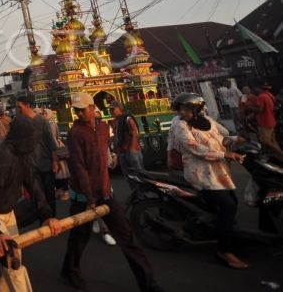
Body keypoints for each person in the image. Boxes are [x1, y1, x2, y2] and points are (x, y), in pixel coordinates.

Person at [61, 92, 162, 292]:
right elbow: (79, 167)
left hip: (106, 192)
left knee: (127, 237)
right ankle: (70, 270)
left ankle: (148, 283)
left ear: (92, 107)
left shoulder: (103, 128)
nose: (79, 113)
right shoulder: (75, 133)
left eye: (82, 109)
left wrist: (114, 156)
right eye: (76, 110)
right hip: (84, 196)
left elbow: (104, 154)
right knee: (80, 237)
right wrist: (90, 198)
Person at [0, 116, 62, 292]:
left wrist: (47, 216)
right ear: (23, 139)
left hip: (6, 208)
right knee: (13, 260)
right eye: (32, 141)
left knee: (12, 258)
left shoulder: (23, 155)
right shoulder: (1, 157)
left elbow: (35, 186)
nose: (34, 144)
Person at [167, 93, 248, 269]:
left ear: (196, 109)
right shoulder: (179, 124)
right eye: (180, 109)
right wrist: (224, 154)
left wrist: (236, 139)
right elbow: (193, 147)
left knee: (230, 203)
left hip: (218, 170)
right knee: (228, 206)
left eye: (186, 109)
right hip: (200, 172)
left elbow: (219, 137)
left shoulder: (207, 121)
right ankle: (223, 251)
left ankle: (219, 232)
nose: (182, 112)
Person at [16, 95, 59, 216]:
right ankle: (43, 219)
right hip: (30, 167)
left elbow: (51, 143)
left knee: (49, 193)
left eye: (19, 107)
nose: (17, 110)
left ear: (28, 106)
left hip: (45, 164)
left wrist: (55, 162)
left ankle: (52, 217)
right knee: (37, 195)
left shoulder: (42, 121)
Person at [109, 100, 145, 190]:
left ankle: (144, 196)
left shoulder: (127, 118)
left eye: (113, 109)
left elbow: (135, 133)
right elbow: (115, 137)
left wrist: (132, 149)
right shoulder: (114, 122)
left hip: (132, 151)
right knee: (128, 176)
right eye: (110, 109)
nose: (111, 111)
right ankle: (136, 195)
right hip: (122, 152)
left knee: (138, 174)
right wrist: (115, 153)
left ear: (120, 108)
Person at [255, 83, 283, 160]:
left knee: (266, 141)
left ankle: (281, 154)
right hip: (271, 121)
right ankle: (280, 156)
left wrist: (251, 109)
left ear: (260, 89)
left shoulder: (261, 96)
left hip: (265, 122)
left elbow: (260, 110)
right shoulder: (270, 96)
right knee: (273, 140)